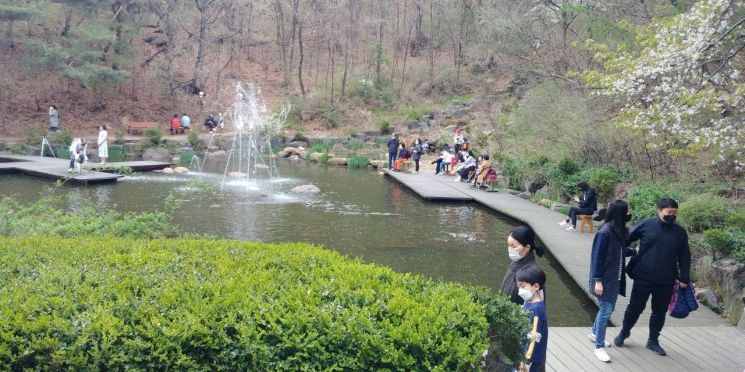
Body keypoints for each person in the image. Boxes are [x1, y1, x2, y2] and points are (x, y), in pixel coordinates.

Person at [613, 198, 691, 356]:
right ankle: (624, 332)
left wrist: (684, 277)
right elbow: (625, 240)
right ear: (659, 211)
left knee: (659, 312)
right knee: (635, 307)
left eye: (675, 213)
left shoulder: (680, 232)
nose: (672, 215)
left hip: (666, 279)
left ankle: (653, 341)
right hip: (643, 276)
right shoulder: (647, 225)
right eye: (669, 212)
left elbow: (685, 256)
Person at [588, 200, 636, 363]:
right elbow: (597, 257)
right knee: (606, 310)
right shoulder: (605, 232)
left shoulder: (618, 231)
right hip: (604, 278)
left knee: (607, 308)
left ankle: (594, 333)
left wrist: (635, 252)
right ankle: (599, 347)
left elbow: (620, 251)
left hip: (615, 277)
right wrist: (598, 280)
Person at [499, 225, 546, 306]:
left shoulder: (533, 274)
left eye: (513, 246)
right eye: (508, 245)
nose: (509, 250)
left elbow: (537, 306)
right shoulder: (516, 262)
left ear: (527, 247)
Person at [516, 265, 548, 372]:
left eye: (522, 286)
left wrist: (526, 361)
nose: (520, 290)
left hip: (531, 360)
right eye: (518, 287)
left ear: (536, 286)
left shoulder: (536, 311)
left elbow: (533, 338)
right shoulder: (530, 302)